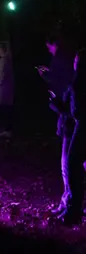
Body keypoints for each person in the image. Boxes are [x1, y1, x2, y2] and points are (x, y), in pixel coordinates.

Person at [48, 49, 85, 226]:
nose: (74, 62)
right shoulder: (75, 81)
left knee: (70, 167)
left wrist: (58, 106)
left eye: (77, 60)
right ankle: (71, 206)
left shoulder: (78, 82)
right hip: (72, 128)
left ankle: (73, 209)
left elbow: (75, 111)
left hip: (75, 129)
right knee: (70, 167)